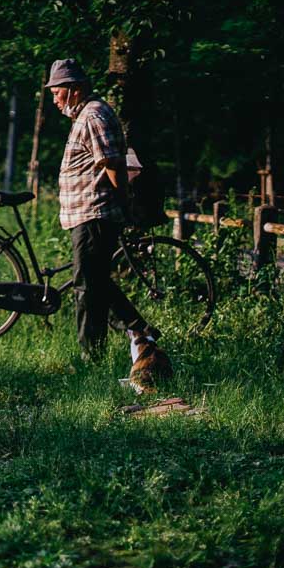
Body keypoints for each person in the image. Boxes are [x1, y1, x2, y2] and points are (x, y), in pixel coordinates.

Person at [44, 57, 168, 391]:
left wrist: (124, 202)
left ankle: (91, 358)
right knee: (94, 281)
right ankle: (140, 330)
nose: (54, 100)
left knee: (87, 287)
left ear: (73, 90)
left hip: (94, 214)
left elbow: (112, 163)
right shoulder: (86, 115)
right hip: (86, 215)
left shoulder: (94, 115)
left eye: (56, 93)